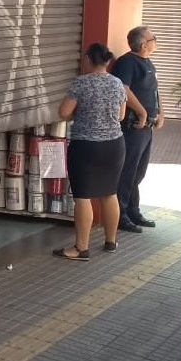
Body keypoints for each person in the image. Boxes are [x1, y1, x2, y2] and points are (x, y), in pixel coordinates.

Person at [52, 42, 126, 260]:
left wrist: (80, 114)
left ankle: (81, 248)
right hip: (114, 145)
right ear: (107, 61)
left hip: (86, 147)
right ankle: (110, 241)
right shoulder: (117, 83)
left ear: (88, 59)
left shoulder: (81, 83)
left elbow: (64, 112)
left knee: (83, 196)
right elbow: (121, 115)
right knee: (109, 193)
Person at [111, 25, 162, 234]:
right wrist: (141, 112)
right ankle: (120, 213)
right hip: (133, 125)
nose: (156, 41)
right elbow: (123, 89)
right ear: (143, 44)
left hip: (147, 126)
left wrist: (160, 113)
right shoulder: (127, 63)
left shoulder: (148, 62)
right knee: (128, 170)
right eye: (153, 38)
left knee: (139, 171)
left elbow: (155, 90)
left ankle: (134, 210)